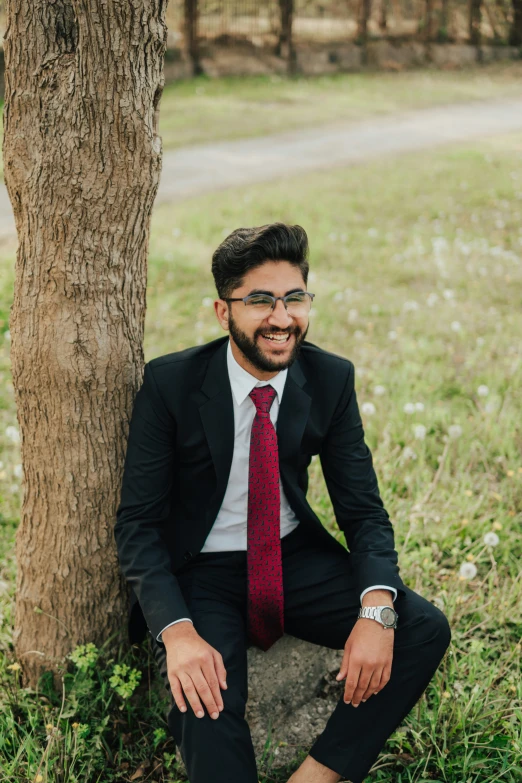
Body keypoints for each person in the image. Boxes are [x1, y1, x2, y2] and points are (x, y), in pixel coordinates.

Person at [114, 222, 451, 783]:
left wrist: (375, 610)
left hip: (292, 556)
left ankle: (317, 775)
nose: (281, 317)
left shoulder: (330, 378)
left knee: (421, 628)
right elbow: (138, 525)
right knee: (206, 698)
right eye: (260, 301)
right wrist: (176, 632)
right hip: (203, 572)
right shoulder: (170, 385)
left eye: (295, 298)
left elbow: (363, 510)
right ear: (224, 313)